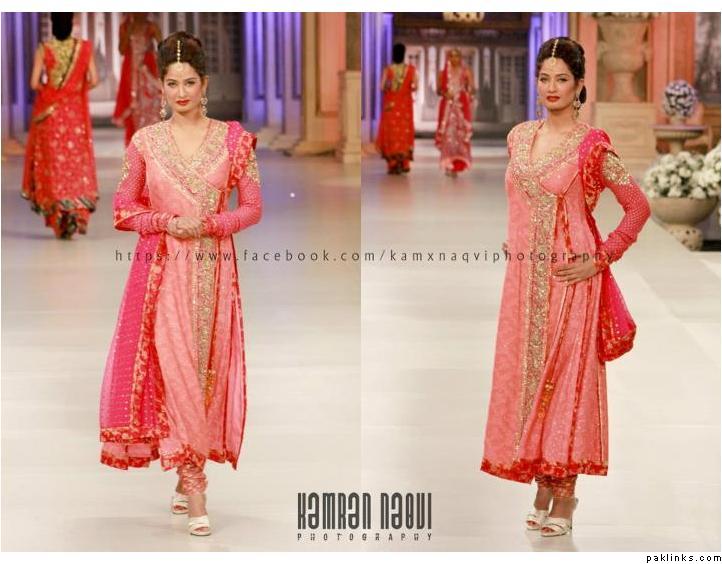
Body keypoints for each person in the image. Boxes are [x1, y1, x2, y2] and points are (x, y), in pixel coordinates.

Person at [480, 37, 651, 537]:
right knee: (528, 380)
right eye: (544, 78)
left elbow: (637, 207)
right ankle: (541, 482)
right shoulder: (518, 137)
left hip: (571, 282)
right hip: (522, 283)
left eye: (561, 79)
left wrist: (600, 258)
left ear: (579, 86)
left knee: (564, 385)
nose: (551, 87)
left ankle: (565, 495)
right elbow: (520, 202)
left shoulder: (591, 145)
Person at [99, 31, 263, 537]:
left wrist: (211, 224)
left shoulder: (234, 140)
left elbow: (252, 208)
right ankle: (195, 490)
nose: (181, 92)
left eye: (189, 82)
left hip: (214, 274)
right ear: (161, 87)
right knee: (176, 372)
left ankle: (185, 461)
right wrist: (168, 222)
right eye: (171, 83)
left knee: (204, 374)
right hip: (162, 272)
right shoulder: (145, 143)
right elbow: (123, 209)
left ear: (204, 83)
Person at [21, 12, 99, 239]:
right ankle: (76, 211)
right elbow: (94, 80)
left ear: (53, 24)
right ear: (72, 24)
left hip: (51, 116)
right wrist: (75, 92)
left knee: (55, 166)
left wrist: (52, 93)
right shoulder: (84, 48)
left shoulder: (44, 49)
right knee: (76, 163)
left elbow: (34, 83)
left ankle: (59, 218)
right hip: (74, 115)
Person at [113, 13, 162, 145]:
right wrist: (129, 31)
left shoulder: (151, 27)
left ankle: (152, 144)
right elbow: (121, 50)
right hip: (131, 74)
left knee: (151, 107)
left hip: (148, 74)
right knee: (133, 108)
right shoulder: (125, 27)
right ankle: (135, 146)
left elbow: (163, 47)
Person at [375, 42, 417, 175]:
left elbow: (382, 87)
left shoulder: (388, 69)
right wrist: (406, 88)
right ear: (404, 54)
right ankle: (404, 163)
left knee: (392, 132)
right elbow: (415, 86)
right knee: (404, 132)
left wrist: (391, 86)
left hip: (391, 105)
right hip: (405, 106)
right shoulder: (411, 69)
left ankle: (393, 164)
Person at [435, 47, 474, 177]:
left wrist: (468, 93)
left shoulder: (466, 72)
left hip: (461, 106)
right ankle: (448, 163)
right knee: (448, 134)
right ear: (448, 58)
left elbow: (472, 88)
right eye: (451, 56)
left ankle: (458, 163)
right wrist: (445, 93)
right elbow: (438, 90)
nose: (454, 58)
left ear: (460, 58)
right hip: (447, 106)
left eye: (457, 56)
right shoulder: (442, 73)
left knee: (460, 134)